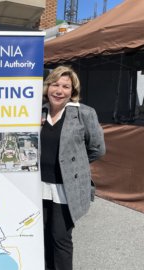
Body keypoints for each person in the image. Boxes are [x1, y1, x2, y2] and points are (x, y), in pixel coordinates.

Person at [40, 65, 106, 270]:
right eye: (55, 84)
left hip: (65, 187)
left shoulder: (84, 113)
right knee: (41, 236)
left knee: (60, 238)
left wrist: (75, 164)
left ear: (73, 91)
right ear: (47, 87)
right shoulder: (38, 111)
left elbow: (97, 148)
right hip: (38, 186)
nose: (59, 91)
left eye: (65, 86)